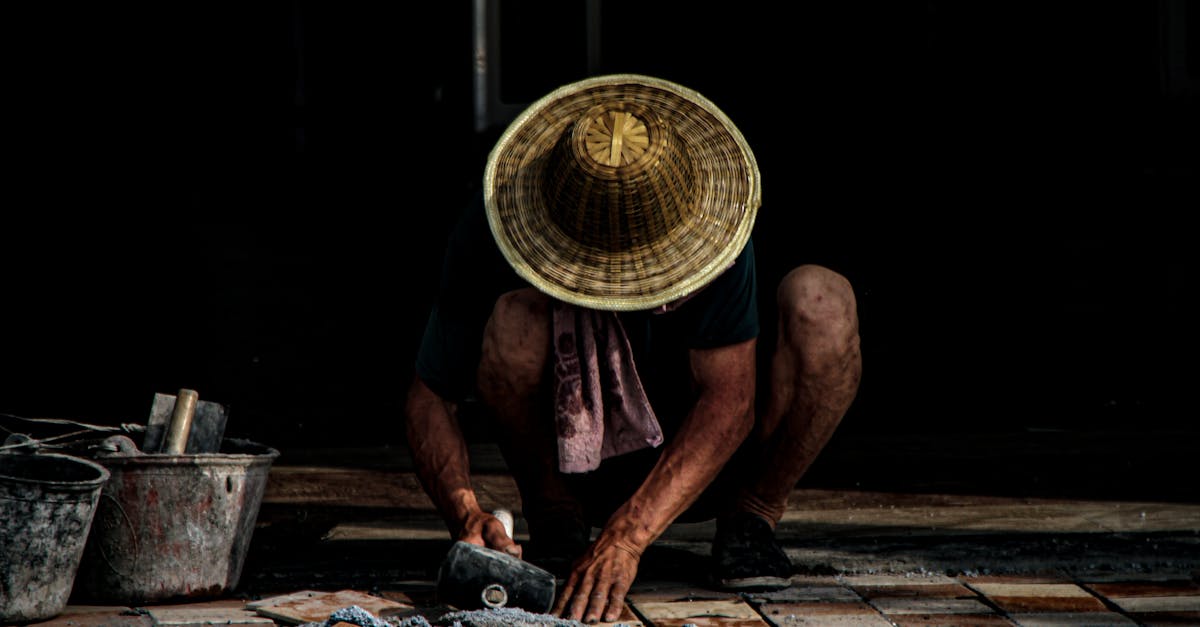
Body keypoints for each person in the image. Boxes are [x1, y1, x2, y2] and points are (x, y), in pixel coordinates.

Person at [405, 74, 861, 624]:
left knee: (824, 302)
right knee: (514, 319)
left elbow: (731, 401)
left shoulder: (712, 219)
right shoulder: (493, 219)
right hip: (572, 461)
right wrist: (465, 512)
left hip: (710, 466)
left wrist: (628, 537)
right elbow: (430, 396)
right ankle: (557, 519)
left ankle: (752, 518)